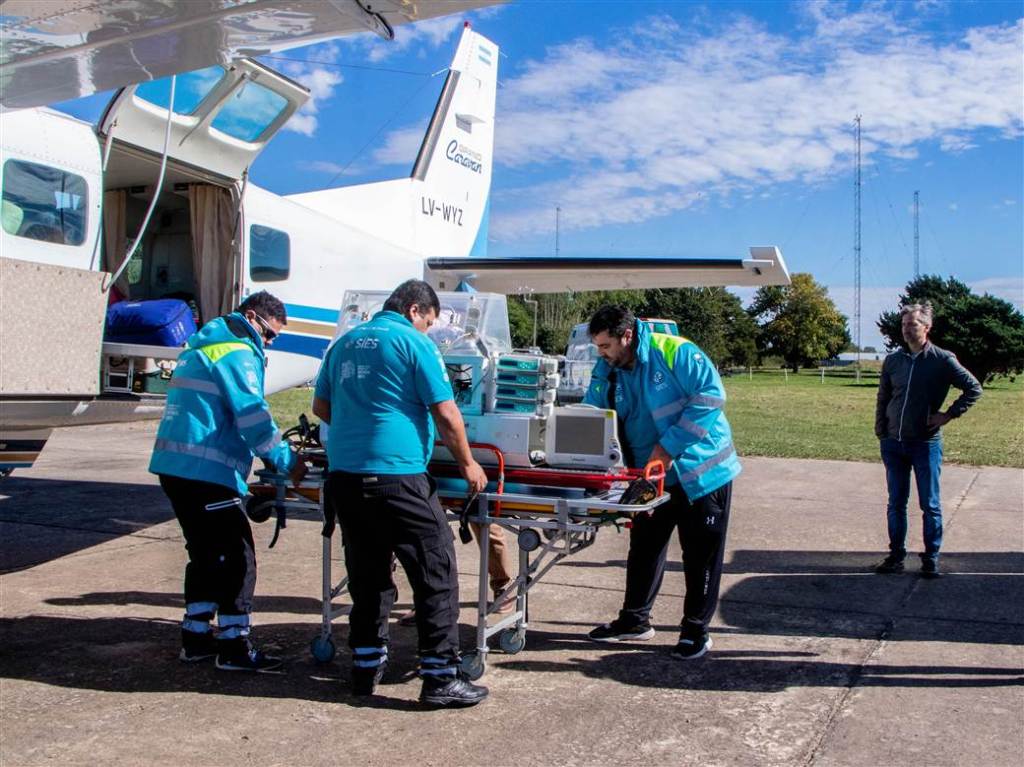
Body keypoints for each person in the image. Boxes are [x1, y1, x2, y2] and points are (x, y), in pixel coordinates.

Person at [312, 279, 489, 707]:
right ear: (415, 310)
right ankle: (441, 677)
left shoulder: (344, 343)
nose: (428, 329)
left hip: (346, 479)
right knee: (436, 573)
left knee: (368, 574)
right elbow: (446, 413)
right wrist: (468, 464)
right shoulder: (414, 343)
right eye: (428, 321)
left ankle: (365, 666)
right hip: (399, 476)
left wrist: (361, 424)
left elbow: (321, 408)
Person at [150, 290, 305, 673]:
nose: (268, 343)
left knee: (204, 554)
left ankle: (196, 636)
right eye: (269, 334)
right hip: (205, 472)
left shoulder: (204, 344)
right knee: (237, 557)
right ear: (252, 317)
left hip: (178, 467)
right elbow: (252, 417)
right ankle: (234, 644)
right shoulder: (235, 351)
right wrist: (287, 462)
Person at [583, 305, 739, 660]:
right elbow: (593, 411)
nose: (602, 354)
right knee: (644, 547)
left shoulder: (675, 350)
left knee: (700, 554)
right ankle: (635, 620)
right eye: (598, 347)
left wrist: (667, 449)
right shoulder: (607, 367)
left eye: (606, 346)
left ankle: (695, 631)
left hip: (701, 472)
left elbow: (712, 395)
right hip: (648, 475)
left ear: (626, 336)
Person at [874, 302, 981, 578]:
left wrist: (949, 414)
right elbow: (883, 397)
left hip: (925, 444)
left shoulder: (942, 359)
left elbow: (973, 388)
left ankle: (930, 558)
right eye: (904, 324)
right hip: (893, 443)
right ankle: (896, 556)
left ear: (927, 327)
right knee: (896, 502)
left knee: (929, 504)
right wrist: (881, 431)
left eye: (912, 324)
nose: (906, 330)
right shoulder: (893, 360)